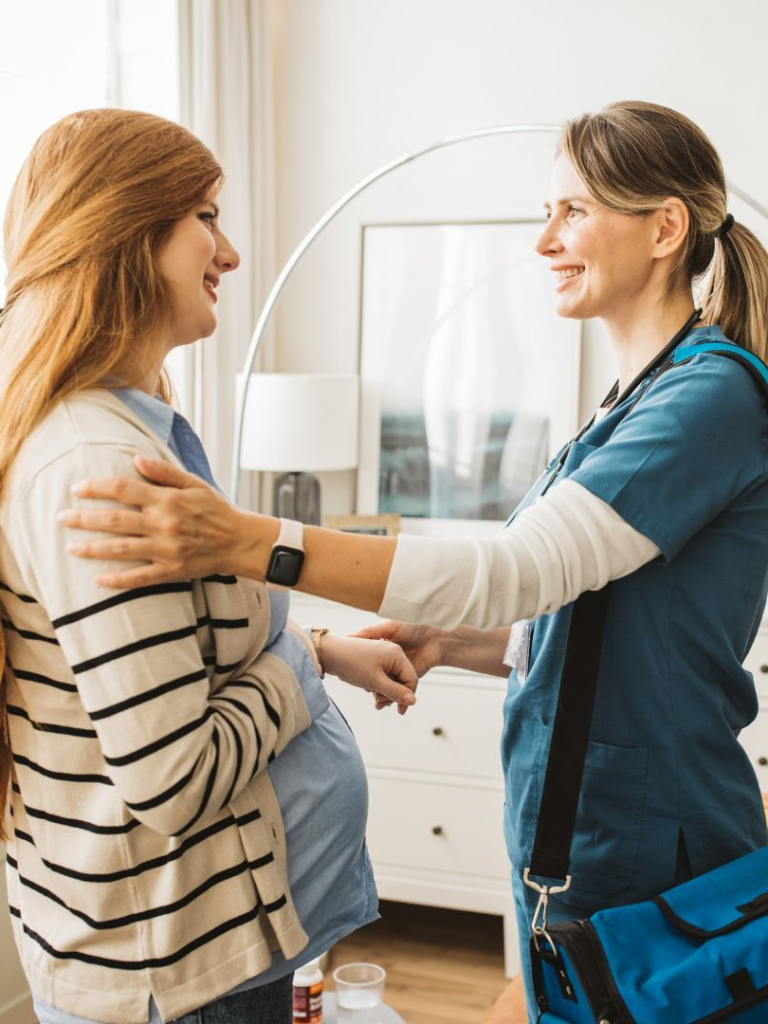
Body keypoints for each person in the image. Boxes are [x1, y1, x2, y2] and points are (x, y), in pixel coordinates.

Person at [59, 101, 768, 1018]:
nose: (545, 239)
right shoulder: (631, 398)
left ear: (666, 226)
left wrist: (242, 539)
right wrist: (458, 640)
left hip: (649, 834)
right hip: (579, 829)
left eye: (574, 212)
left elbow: (520, 568)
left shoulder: (708, 397)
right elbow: (604, 622)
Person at [0, 108, 420, 1024]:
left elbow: (159, 659)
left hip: (202, 954)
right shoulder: (95, 467)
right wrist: (303, 665)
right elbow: (175, 779)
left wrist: (321, 643)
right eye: (207, 217)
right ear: (124, 232)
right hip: (184, 977)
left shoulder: (129, 426)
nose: (228, 254)